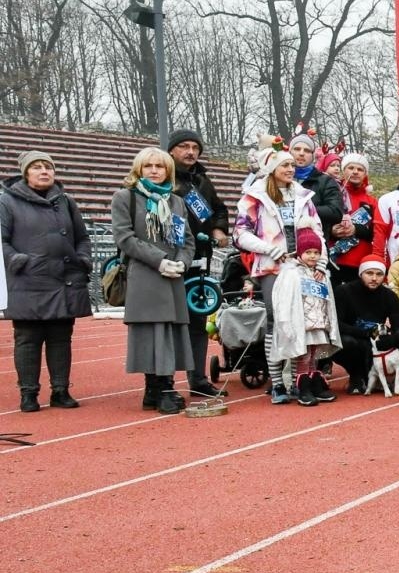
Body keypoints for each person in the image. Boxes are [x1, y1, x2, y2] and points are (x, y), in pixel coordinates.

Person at [0, 150, 92, 411]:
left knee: (61, 338)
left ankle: (60, 391)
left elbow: (82, 238)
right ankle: (28, 393)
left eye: (48, 167)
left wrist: (83, 259)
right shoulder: (7, 202)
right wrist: (18, 260)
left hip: (64, 280)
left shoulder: (65, 201)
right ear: (25, 172)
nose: (44, 171)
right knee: (27, 339)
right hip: (28, 281)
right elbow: (0, 240)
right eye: (37, 167)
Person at [109, 147, 195, 415]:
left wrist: (183, 261)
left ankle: (160, 388)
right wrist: (159, 260)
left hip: (173, 277)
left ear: (168, 170)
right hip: (146, 275)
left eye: (160, 166)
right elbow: (125, 238)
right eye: (149, 166)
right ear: (139, 170)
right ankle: (160, 388)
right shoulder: (125, 197)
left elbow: (187, 239)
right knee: (151, 332)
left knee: (170, 331)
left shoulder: (177, 201)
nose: (155, 171)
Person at [234, 148, 323, 404]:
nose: (290, 169)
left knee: (302, 323)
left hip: (302, 267)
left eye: (292, 165)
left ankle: (297, 380)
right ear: (270, 168)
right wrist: (269, 248)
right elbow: (240, 234)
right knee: (277, 321)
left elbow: (316, 230)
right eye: (284, 165)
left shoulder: (303, 195)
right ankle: (276, 384)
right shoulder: (254, 197)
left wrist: (322, 262)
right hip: (272, 267)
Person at [167, 129, 231, 397]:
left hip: (199, 258)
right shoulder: (163, 179)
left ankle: (198, 380)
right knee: (168, 323)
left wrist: (219, 229)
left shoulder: (202, 181)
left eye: (195, 147)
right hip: (168, 260)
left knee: (197, 320)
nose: (190, 151)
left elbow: (219, 208)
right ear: (171, 150)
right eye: (184, 146)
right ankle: (163, 383)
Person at [271, 224, 341, 406]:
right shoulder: (291, 274)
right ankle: (303, 387)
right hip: (301, 324)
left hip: (317, 322)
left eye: (316, 252)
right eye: (308, 252)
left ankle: (314, 383)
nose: (312, 256)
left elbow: (327, 299)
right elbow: (285, 301)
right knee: (303, 355)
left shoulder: (320, 273)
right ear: (300, 253)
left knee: (313, 354)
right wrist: (288, 325)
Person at [334, 256, 399, 394]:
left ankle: (392, 374)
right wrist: (365, 333)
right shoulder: (343, 291)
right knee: (345, 343)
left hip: (379, 339)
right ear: (361, 273)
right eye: (369, 273)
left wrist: (395, 338)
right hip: (355, 337)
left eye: (379, 274)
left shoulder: (389, 296)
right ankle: (356, 376)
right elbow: (337, 324)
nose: (374, 278)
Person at [287, 129, 348, 241]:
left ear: (312, 155)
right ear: (289, 152)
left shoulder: (325, 181)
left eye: (307, 150)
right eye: (297, 149)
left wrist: (302, 208)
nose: (301, 153)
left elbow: (336, 212)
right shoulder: (278, 179)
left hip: (314, 249)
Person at [329, 152, 378, 287]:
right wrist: (332, 231)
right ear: (343, 171)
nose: (355, 172)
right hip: (334, 260)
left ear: (365, 174)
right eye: (351, 168)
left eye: (360, 169)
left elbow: (376, 232)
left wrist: (356, 229)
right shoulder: (333, 195)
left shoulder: (372, 201)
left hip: (360, 262)